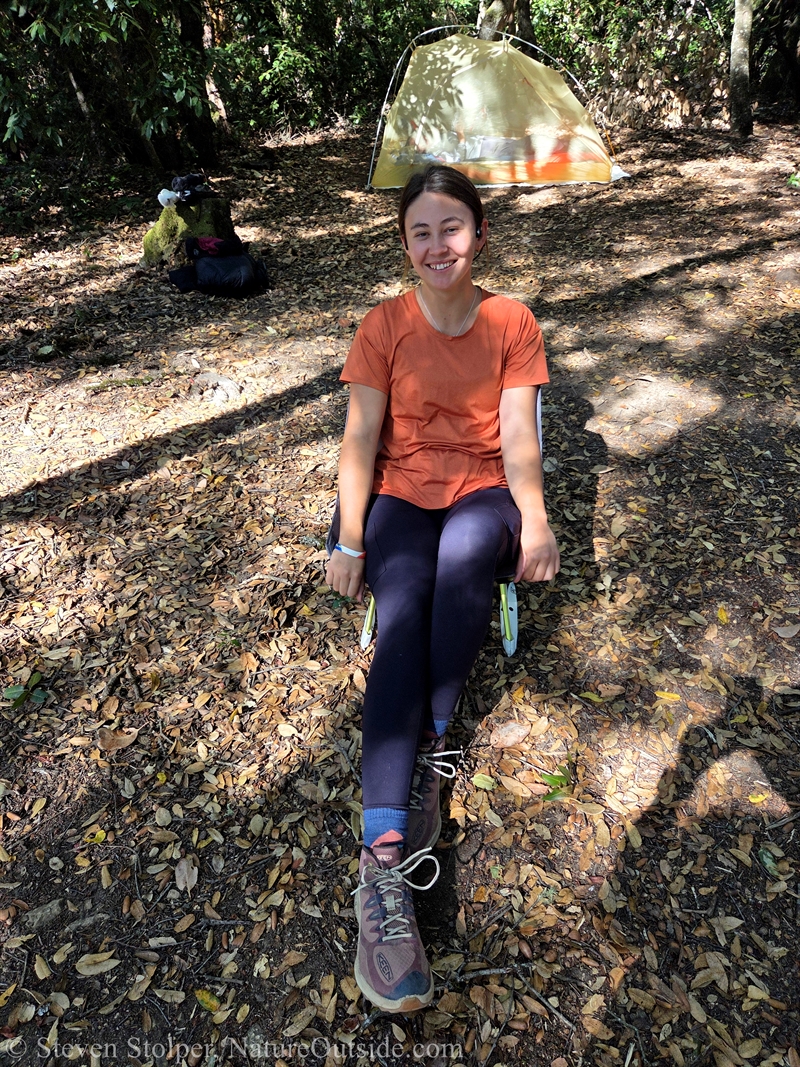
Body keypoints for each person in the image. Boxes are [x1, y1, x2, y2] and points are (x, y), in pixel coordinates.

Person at [326, 164, 560, 1014]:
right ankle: (380, 864)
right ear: (404, 243)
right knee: (405, 608)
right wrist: (349, 538)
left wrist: (533, 521)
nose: (437, 246)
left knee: (464, 565)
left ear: (480, 233)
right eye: (421, 232)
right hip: (396, 494)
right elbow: (360, 440)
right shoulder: (382, 326)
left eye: (451, 228)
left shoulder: (512, 321)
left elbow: (522, 437)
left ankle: (424, 741)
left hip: (482, 491)